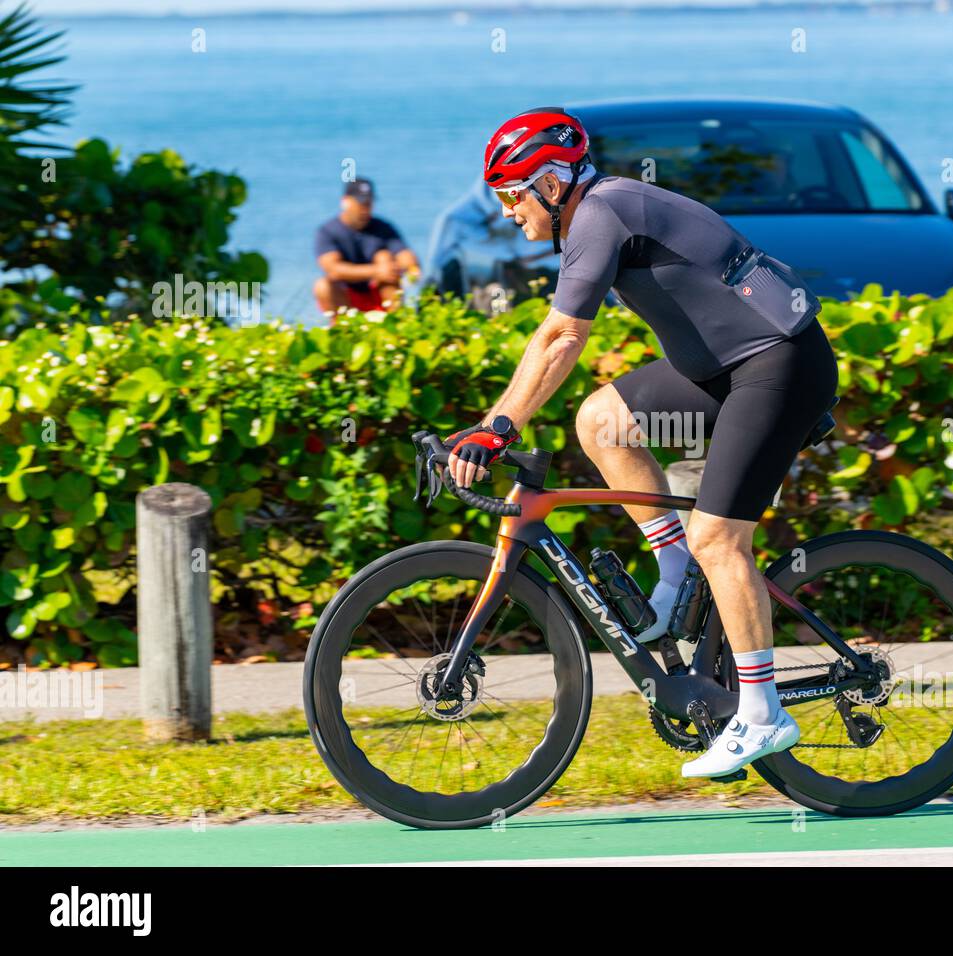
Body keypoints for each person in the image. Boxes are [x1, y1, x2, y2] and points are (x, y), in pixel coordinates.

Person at [444, 107, 837, 778]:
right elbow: (555, 338)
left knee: (722, 538)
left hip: (778, 365)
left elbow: (563, 337)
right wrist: (498, 418)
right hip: (723, 369)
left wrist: (498, 425)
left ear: (548, 182)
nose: (509, 212)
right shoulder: (599, 210)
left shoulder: (602, 212)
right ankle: (675, 566)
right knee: (602, 420)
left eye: (512, 195)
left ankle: (764, 714)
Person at [313, 178, 420, 313]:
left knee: (384, 256)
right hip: (346, 297)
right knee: (322, 286)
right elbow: (333, 269)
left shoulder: (383, 228)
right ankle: (345, 329)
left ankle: (396, 321)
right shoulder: (328, 231)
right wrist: (376, 271)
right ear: (345, 202)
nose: (365, 208)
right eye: (361, 203)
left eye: (369, 203)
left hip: (379, 292)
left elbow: (405, 255)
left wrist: (411, 268)